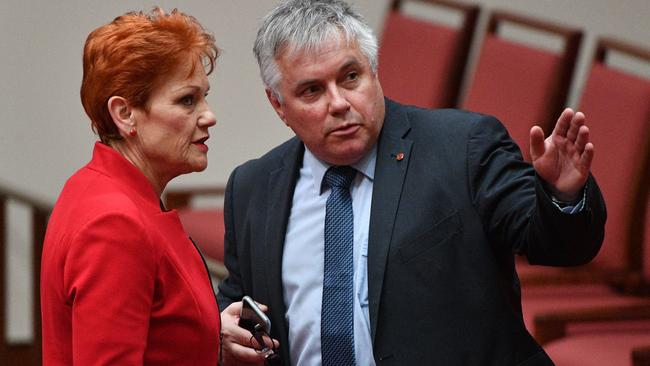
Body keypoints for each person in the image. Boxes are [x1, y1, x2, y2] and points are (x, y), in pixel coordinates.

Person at [217, 0, 606, 365]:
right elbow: (240, 306)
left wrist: (561, 194)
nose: (339, 103)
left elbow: (555, 243)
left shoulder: (462, 148)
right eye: (312, 90)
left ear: (374, 71)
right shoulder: (252, 189)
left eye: (350, 77)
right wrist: (224, 331)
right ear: (278, 104)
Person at [40, 8, 221, 365]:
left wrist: (209, 331)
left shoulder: (98, 187)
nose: (209, 115)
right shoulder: (114, 222)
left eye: (203, 96)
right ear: (125, 115)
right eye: (187, 100)